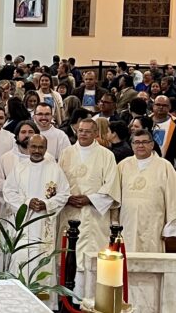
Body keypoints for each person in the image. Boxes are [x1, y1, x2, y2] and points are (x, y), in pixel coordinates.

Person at [3, 134, 70, 310]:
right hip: (24, 225)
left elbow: (64, 194)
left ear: (46, 149)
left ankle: (44, 306)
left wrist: (46, 204)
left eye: (41, 147)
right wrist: (27, 203)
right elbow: (8, 191)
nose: (37, 151)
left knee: (44, 261)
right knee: (20, 258)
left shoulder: (54, 169)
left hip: (43, 226)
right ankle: (17, 302)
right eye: (34, 147)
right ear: (28, 147)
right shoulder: (20, 168)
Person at [57, 117, 121, 277]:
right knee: (68, 255)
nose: (83, 134)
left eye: (87, 131)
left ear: (95, 133)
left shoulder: (106, 155)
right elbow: (57, 182)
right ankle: (66, 298)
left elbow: (111, 185)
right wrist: (66, 198)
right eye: (80, 131)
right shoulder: (66, 153)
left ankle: (89, 297)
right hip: (69, 212)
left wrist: (90, 199)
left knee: (92, 258)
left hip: (94, 216)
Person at [117, 129, 176, 252]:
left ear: (152, 144)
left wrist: (171, 227)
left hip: (154, 224)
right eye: (136, 142)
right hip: (127, 224)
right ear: (132, 145)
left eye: (144, 142)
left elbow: (173, 197)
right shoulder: (123, 165)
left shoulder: (165, 166)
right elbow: (115, 196)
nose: (140, 145)